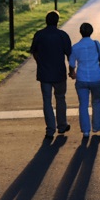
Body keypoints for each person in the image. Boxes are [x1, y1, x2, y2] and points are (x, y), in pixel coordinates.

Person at [30, 10, 72, 139]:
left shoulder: (39, 35)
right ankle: (62, 125)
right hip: (59, 73)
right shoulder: (63, 35)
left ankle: (50, 129)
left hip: (44, 74)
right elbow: (69, 54)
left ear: (46, 20)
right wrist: (71, 70)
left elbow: (34, 52)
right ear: (57, 21)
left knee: (47, 101)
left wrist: (40, 63)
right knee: (60, 98)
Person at [68, 23, 100, 138]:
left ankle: (85, 130)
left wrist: (72, 73)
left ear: (80, 32)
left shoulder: (75, 47)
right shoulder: (96, 44)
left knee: (83, 104)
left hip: (81, 79)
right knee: (96, 101)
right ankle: (96, 126)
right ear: (91, 31)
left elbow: (71, 64)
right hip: (97, 77)